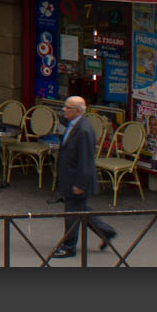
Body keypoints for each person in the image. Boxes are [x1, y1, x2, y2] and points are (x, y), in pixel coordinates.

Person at [51, 95, 117, 258]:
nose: (64, 110)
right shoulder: (73, 123)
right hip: (71, 178)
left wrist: (79, 184)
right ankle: (106, 232)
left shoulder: (84, 130)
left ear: (78, 112)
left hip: (78, 181)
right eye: (64, 107)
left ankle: (69, 247)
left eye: (68, 108)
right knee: (81, 211)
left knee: (71, 214)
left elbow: (86, 160)